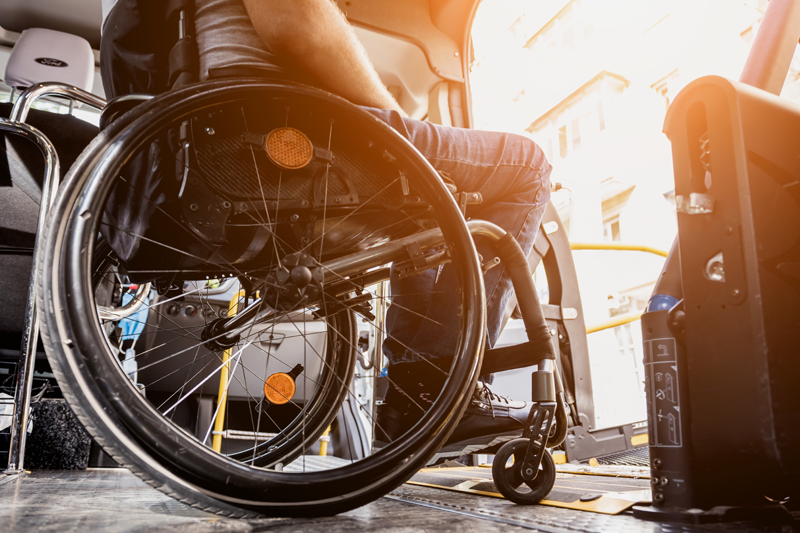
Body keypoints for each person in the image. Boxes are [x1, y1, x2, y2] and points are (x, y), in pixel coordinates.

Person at [101, 0, 553, 457]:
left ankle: (422, 394)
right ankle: (440, 388)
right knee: (527, 166)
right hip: (285, 125)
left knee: (425, 208)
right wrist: (399, 130)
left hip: (235, 128)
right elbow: (294, 23)